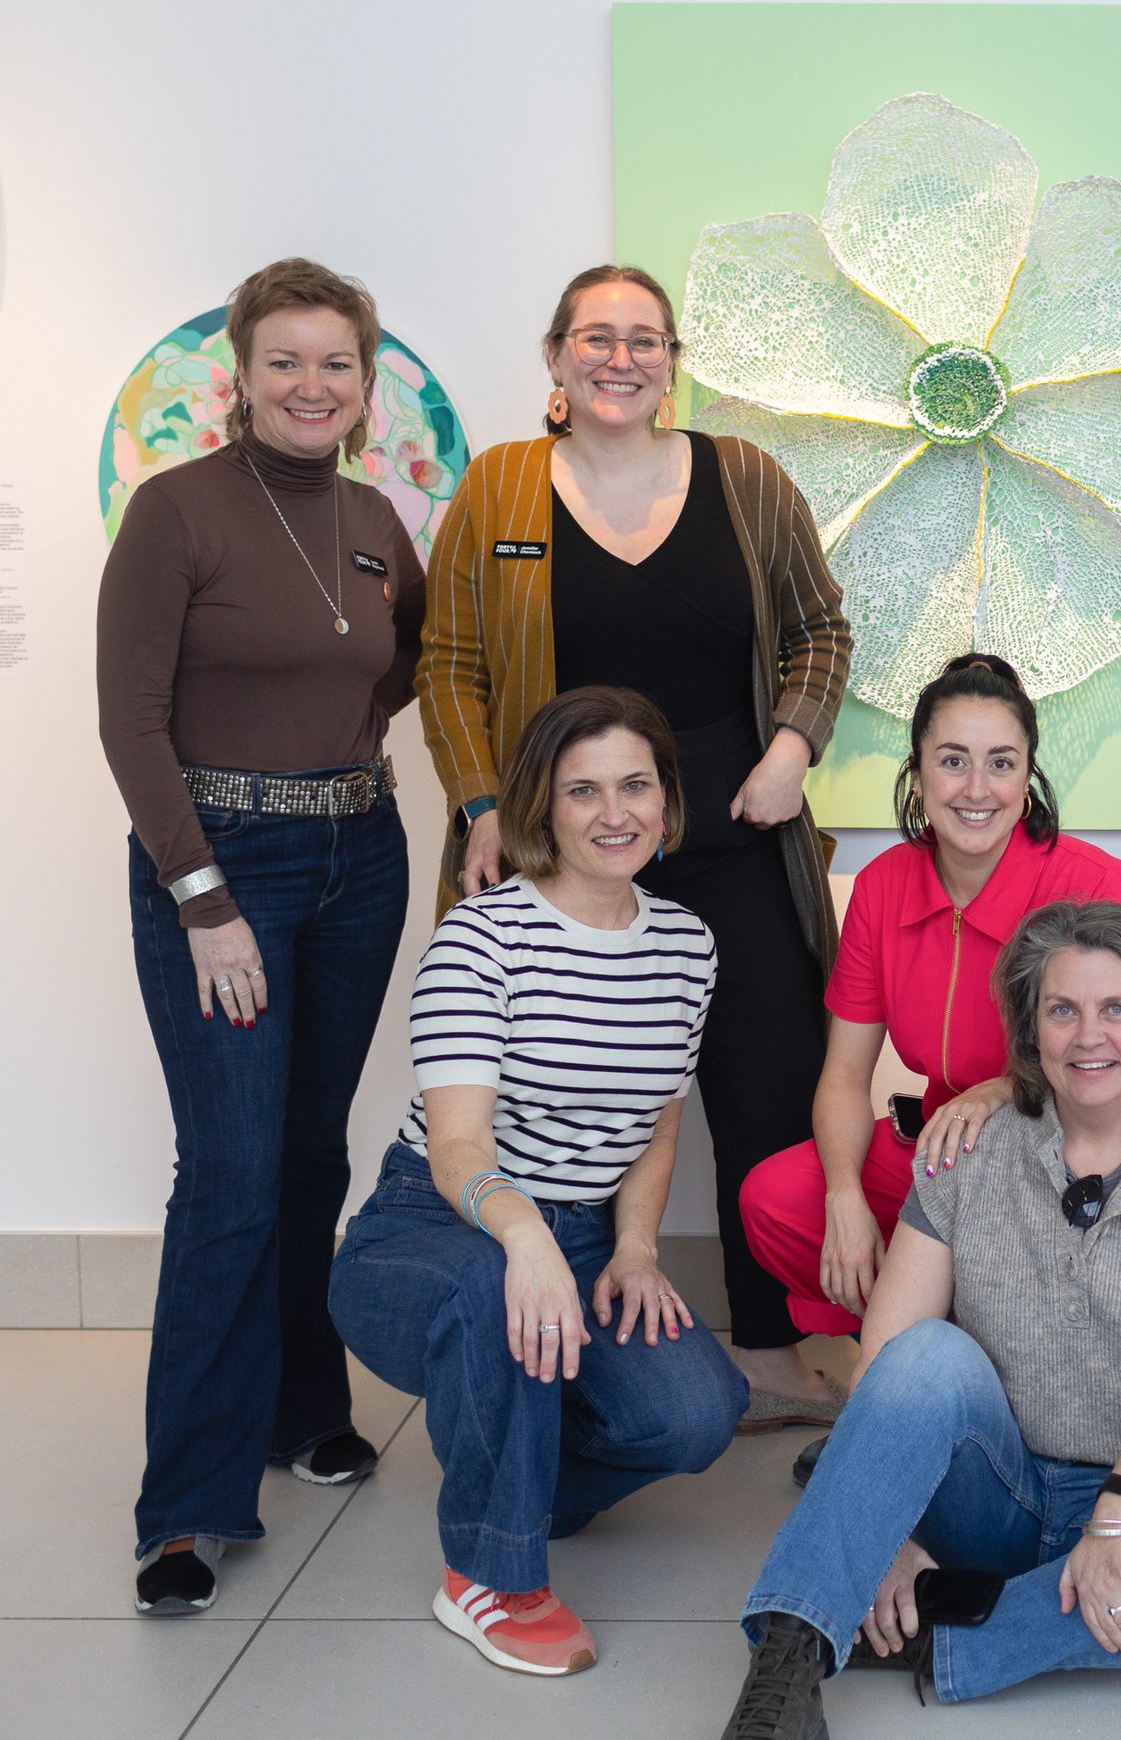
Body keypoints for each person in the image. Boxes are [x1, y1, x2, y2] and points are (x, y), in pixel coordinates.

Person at [416, 265, 854, 1431]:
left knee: (767, 1095)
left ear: (674, 358)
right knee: (557, 1089)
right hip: (566, 848)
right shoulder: (500, 485)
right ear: (556, 357)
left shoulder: (745, 479)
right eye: (595, 338)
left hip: (736, 827)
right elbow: (448, 661)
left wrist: (792, 752)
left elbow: (819, 629)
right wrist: (480, 805)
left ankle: (766, 1342)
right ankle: (552, 1315)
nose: (621, 358)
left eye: (645, 339)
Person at [717, 902, 1121, 1731]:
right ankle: (788, 1658)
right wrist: (889, 1530)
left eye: (1117, 1009)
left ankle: (935, 1636)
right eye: (1063, 1010)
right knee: (925, 1355)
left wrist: (1118, 1518)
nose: (1090, 1035)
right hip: (987, 1485)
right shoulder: (966, 1152)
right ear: (1032, 1032)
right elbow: (891, 1354)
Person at [97, 257, 426, 1615]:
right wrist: (206, 900)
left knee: (308, 1149)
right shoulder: (175, 512)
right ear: (239, 373)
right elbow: (132, 725)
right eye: (284, 361)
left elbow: (398, 671)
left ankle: (303, 1409)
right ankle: (187, 1501)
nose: (311, 385)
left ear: (366, 381)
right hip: (222, 872)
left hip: (361, 859)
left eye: (335, 363)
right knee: (229, 1170)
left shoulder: (372, 516)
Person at [329, 687, 746, 1676]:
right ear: (542, 809)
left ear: (666, 799)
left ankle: (511, 1458)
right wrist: (524, 1241)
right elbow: (459, 1147)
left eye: (636, 785)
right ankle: (490, 1574)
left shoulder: (685, 948)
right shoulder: (483, 940)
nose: (615, 813)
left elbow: (657, 1124)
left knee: (696, 1414)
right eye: (584, 789)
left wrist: (636, 1249)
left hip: (589, 1232)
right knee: (492, 1293)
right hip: (432, 1227)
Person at [737, 653, 1121, 1480]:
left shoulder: (1094, 886)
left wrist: (1008, 1086)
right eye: (952, 760)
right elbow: (841, 1078)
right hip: (956, 1157)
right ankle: (925, 1386)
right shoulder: (885, 886)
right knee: (781, 1199)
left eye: (1002, 763)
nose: (978, 788)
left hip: (1089, 1159)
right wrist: (844, 1194)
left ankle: (973, 1401)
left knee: (1005, 1255)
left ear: (1029, 774)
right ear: (919, 771)